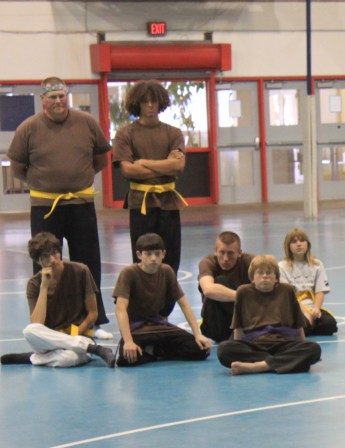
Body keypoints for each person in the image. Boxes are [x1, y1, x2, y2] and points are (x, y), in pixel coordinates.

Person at [6, 76, 114, 338]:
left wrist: (79, 177)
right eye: (52, 97)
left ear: (67, 97)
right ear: (43, 100)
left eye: (62, 96)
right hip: (45, 207)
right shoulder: (28, 128)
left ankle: (94, 321)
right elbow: (17, 167)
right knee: (45, 262)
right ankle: (47, 322)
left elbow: (101, 158)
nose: (58, 101)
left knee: (88, 261)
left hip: (80, 203)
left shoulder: (87, 122)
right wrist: (42, 182)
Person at [111, 80, 188, 302]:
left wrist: (144, 162)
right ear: (137, 104)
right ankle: (144, 304)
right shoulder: (125, 134)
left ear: (161, 103)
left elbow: (178, 166)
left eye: (154, 101)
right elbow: (128, 170)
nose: (150, 106)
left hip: (168, 202)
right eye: (145, 102)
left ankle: (165, 307)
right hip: (140, 202)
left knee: (171, 257)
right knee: (143, 256)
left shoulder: (173, 133)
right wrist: (164, 164)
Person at [0, 232, 115, 368]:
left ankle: (33, 358)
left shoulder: (80, 271)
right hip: (50, 340)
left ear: (60, 252)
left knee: (68, 359)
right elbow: (37, 323)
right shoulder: (34, 284)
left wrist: (74, 334)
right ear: (38, 261)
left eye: (54, 253)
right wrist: (44, 287)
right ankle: (94, 349)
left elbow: (93, 313)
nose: (52, 260)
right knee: (29, 331)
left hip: (78, 335)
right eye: (45, 256)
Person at [112, 233, 211, 367]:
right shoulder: (128, 273)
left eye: (157, 254)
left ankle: (153, 351)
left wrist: (197, 334)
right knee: (125, 358)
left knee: (201, 350)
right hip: (136, 329)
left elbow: (184, 304)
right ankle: (158, 351)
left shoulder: (166, 271)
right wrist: (128, 341)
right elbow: (120, 309)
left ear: (163, 254)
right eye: (148, 254)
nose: (153, 258)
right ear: (139, 255)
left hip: (158, 326)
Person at [216, 255, 322, 375]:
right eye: (260, 273)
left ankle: (259, 366)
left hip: (283, 344)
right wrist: (238, 346)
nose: (265, 276)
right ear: (252, 277)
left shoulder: (287, 290)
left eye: (269, 272)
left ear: (276, 278)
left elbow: (298, 325)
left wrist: (303, 345)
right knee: (224, 349)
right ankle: (285, 362)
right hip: (254, 345)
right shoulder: (243, 292)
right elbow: (238, 328)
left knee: (313, 349)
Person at [278, 228, 338, 336]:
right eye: (294, 242)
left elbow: (320, 290)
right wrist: (306, 312)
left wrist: (316, 308)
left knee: (330, 325)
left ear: (308, 244)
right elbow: (288, 295)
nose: (299, 244)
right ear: (288, 246)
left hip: (312, 305)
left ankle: (311, 325)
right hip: (294, 307)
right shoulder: (281, 267)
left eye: (302, 241)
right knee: (304, 327)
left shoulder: (317, 264)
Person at [197, 231, 254, 342]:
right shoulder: (207, 263)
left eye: (230, 253)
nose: (226, 258)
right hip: (216, 324)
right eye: (222, 253)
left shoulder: (250, 262)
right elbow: (208, 290)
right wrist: (244, 296)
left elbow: (274, 279)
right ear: (215, 251)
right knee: (220, 281)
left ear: (239, 253)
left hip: (243, 320)